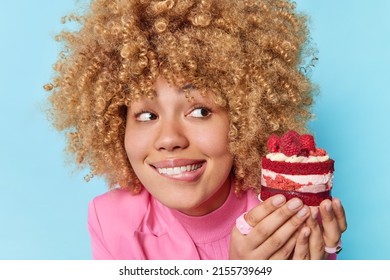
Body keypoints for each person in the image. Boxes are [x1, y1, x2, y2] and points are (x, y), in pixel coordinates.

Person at [45, 0, 347, 259]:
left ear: (245, 119)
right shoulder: (112, 222)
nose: (169, 139)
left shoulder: (281, 215)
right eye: (147, 115)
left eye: (200, 111)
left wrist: (322, 258)